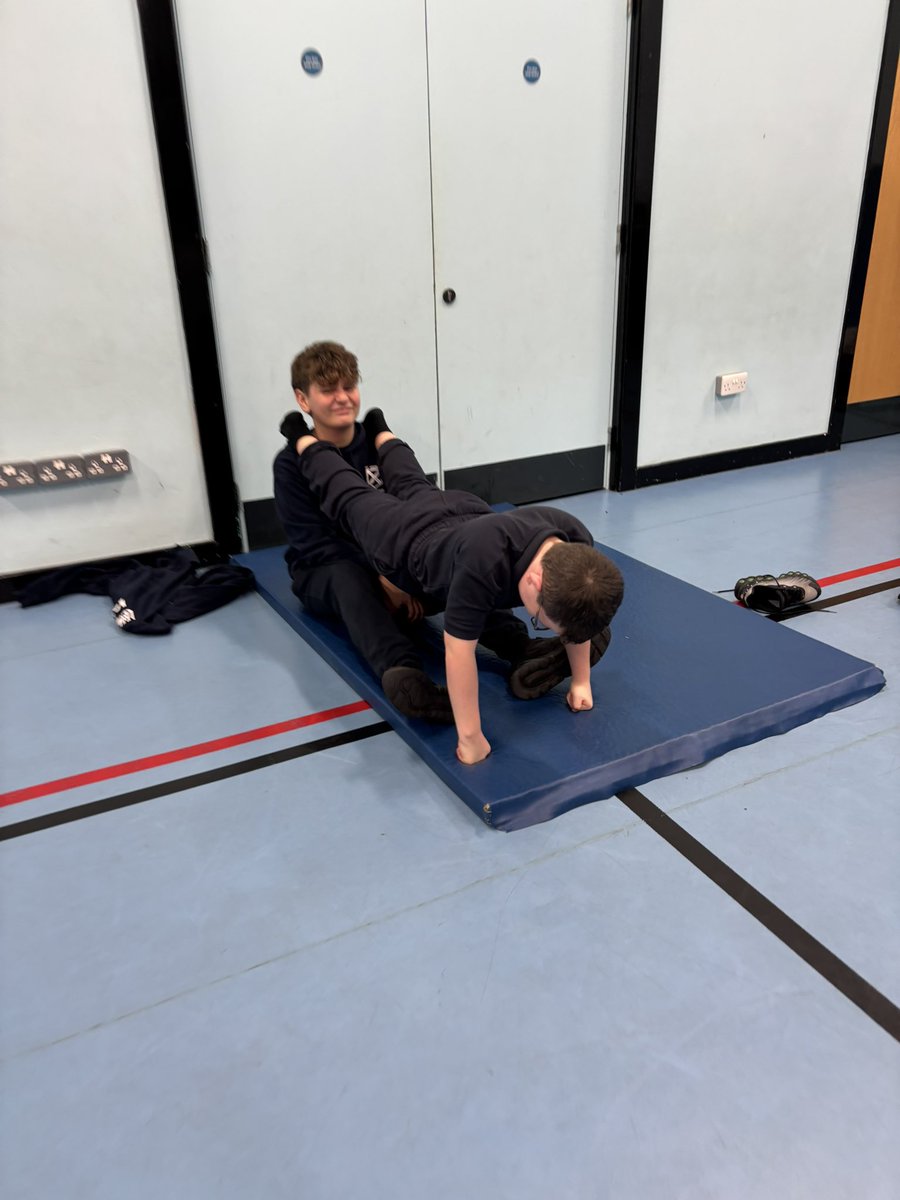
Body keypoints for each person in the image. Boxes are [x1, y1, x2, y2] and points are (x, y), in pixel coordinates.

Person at [290, 401, 624, 765]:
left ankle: (380, 428)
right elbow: (458, 650)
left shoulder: (575, 539)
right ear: (535, 578)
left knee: (412, 482)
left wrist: (581, 682)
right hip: (402, 541)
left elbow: (575, 621)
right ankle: (299, 437)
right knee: (350, 495)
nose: (542, 624)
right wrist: (471, 738)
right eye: (541, 620)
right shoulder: (482, 564)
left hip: (461, 509)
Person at [273, 341, 591, 724]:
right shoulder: (291, 464)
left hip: (400, 560)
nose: (342, 398)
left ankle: (520, 647)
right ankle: (403, 674)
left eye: (349, 387)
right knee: (347, 579)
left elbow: (421, 514)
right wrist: (385, 577)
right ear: (303, 399)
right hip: (329, 569)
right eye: (328, 391)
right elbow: (314, 544)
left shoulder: (381, 449)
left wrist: (403, 572)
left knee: (470, 560)